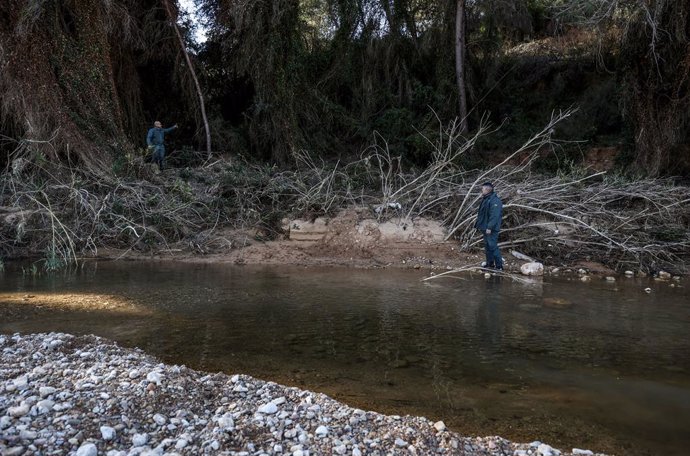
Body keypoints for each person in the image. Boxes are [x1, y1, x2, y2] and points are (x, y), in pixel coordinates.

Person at [475, 182, 503, 270]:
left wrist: (489, 227)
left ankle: (499, 266)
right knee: (487, 246)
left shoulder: (495, 201)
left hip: (491, 229)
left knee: (493, 246)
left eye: (482, 189)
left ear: (487, 189)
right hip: (485, 227)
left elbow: (494, 215)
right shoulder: (486, 199)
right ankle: (489, 264)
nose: (481, 190)